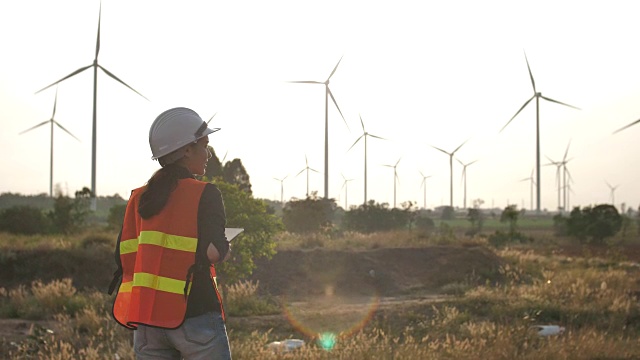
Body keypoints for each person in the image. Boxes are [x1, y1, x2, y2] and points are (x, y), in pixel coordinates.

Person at [108, 107, 232, 360]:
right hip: (194, 315)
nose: (207, 153)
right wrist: (228, 246)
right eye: (204, 144)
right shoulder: (204, 193)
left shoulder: (138, 197)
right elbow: (214, 252)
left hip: (147, 321)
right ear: (187, 149)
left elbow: (124, 256)